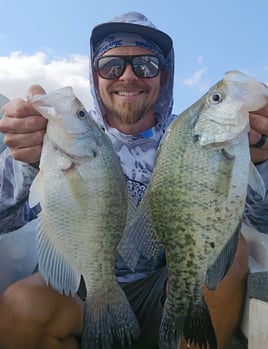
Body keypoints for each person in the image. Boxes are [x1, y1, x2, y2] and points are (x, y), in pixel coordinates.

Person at [0, 11, 267, 349]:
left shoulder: (191, 135)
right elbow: (4, 219)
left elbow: (262, 221)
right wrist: (25, 161)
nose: (128, 76)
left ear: (164, 75)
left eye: (145, 65)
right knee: (19, 308)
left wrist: (262, 159)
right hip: (83, 283)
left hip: (167, 284)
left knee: (230, 252)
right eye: (111, 65)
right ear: (94, 75)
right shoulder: (58, 136)